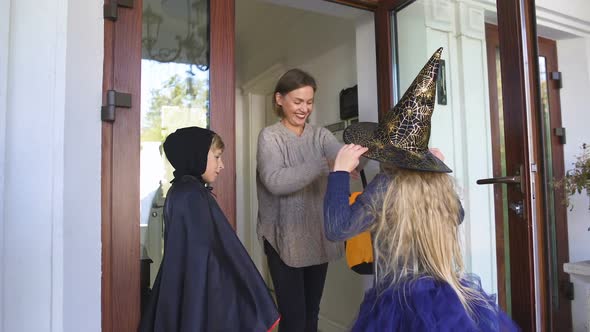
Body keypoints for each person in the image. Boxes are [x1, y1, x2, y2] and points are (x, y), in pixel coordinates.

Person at [324, 48, 519, 331]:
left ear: (388, 154)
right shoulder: (438, 183)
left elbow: (337, 228)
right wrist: (437, 169)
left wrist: (339, 172)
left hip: (400, 297)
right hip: (447, 290)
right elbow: (458, 215)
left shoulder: (387, 186)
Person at [139, 126, 280, 332]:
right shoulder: (191, 195)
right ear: (196, 156)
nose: (221, 165)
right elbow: (205, 254)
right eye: (217, 157)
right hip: (199, 289)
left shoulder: (182, 191)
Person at [256, 68, 344, 332]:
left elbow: (345, 160)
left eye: (309, 102)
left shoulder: (321, 135)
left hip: (318, 236)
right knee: (293, 319)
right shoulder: (270, 137)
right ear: (279, 99)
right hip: (285, 239)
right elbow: (275, 181)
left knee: (311, 314)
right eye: (298, 101)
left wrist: (364, 149)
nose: (304, 108)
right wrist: (322, 165)